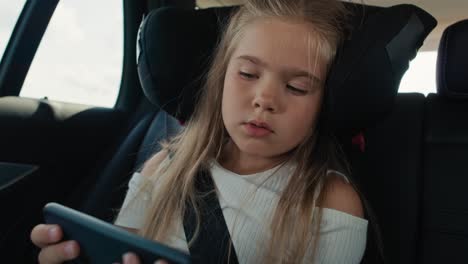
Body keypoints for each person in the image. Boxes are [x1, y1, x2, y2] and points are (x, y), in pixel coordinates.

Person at [31, 0, 369, 263]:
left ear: (325, 104)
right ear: (220, 77)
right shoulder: (164, 166)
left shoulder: (330, 200)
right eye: (248, 74)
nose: (264, 99)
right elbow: (123, 248)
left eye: (296, 87)